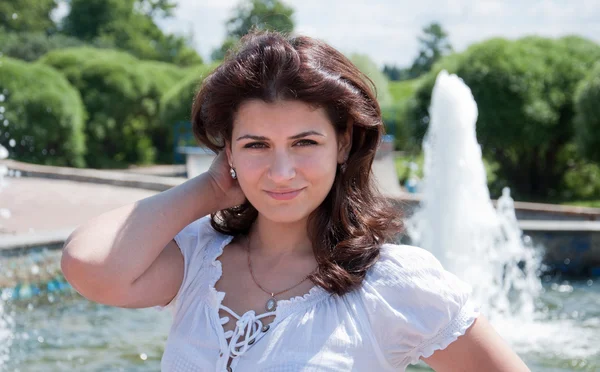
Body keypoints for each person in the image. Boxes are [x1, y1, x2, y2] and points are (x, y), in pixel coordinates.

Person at [61, 31, 530, 372]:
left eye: (305, 143)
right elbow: (87, 264)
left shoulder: (394, 283)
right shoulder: (198, 258)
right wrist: (207, 191)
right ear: (228, 151)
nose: (281, 173)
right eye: (256, 145)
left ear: (343, 144)